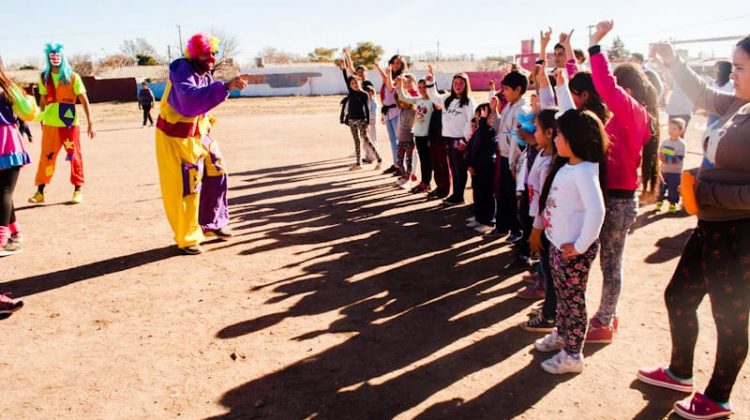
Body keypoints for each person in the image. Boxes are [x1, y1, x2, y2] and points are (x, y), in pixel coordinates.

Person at [637, 37, 750, 420]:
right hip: (710, 226)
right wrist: (672, 61)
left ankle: (718, 398)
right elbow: (701, 92)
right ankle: (680, 372)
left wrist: (708, 191)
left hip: (740, 235)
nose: (731, 74)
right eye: (732, 67)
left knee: (730, 317)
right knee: (679, 297)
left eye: (739, 68)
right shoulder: (739, 104)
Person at [583, 21, 656, 344]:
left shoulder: (633, 111)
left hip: (619, 199)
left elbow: (605, 87)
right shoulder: (632, 114)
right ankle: (607, 315)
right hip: (617, 197)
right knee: (610, 261)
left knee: (610, 263)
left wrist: (596, 47)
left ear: (627, 87)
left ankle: (604, 319)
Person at [155, 33, 251, 255]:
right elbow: (189, 101)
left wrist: (224, 86)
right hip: (177, 139)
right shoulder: (181, 69)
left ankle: (212, 223)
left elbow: (203, 104)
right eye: (206, 54)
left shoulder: (205, 74)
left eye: (213, 53)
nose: (211, 58)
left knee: (218, 172)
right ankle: (187, 237)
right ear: (194, 53)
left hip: (200, 135)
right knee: (188, 187)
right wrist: (225, 86)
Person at [533, 108, 607, 374]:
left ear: (575, 138)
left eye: (560, 134)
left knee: (572, 301)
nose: (555, 138)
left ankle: (573, 355)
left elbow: (597, 211)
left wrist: (579, 246)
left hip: (572, 252)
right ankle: (563, 335)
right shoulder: (571, 164)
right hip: (560, 246)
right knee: (564, 297)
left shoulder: (585, 171)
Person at [28, 43, 96, 205]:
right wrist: (42, 119)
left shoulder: (72, 76)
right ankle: (40, 192)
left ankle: (77, 190)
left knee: (74, 156)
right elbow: (43, 100)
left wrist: (90, 122)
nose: (55, 59)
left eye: (58, 56)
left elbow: (83, 99)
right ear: (48, 58)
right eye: (52, 57)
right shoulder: (44, 77)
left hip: (69, 123)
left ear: (63, 57)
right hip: (51, 123)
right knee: (46, 157)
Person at [0, 56, 38, 257]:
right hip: (7, 141)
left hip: (6, 141)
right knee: (4, 191)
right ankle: (13, 236)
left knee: (4, 191)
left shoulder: (8, 89)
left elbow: (28, 114)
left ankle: (4, 239)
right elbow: (28, 113)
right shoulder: (9, 88)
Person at [425, 65, 476, 205]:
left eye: (461, 83)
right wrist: (431, 82)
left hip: (460, 140)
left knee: (460, 169)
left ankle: (459, 196)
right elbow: (434, 98)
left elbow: (471, 122)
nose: (458, 86)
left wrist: (465, 141)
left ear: (466, 85)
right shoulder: (447, 99)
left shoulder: (469, 102)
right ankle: (455, 194)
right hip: (447, 138)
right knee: (453, 168)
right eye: (455, 83)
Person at [495, 70, 531, 241]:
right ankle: (503, 226)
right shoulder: (509, 106)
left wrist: (512, 164)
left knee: (513, 197)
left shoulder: (522, 110)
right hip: (503, 157)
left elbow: (517, 142)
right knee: (503, 194)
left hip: (513, 162)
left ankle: (516, 231)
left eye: (507, 89)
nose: (504, 92)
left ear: (518, 89)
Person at [396, 76, 433, 193]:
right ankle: (424, 182)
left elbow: (434, 121)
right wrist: (400, 84)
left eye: (425, 87)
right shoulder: (418, 100)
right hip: (418, 135)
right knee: (423, 160)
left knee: (428, 161)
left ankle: (427, 183)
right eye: (420, 87)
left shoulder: (433, 102)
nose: (422, 90)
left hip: (427, 136)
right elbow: (403, 97)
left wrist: (430, 137)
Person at [466, 104, 497, 234]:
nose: (479, 119)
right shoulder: (477, 131)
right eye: (478, 116)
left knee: (487, 195)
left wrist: (485, 120)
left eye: (483, 116)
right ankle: (479, 217)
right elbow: (472, 149)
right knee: (477, 193)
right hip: (476, 168)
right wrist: (469, 164)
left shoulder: (490, 131)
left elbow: (485, 135)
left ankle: (488, 221)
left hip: (487, 168)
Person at [374, 55, 406, 174]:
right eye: (394, 62)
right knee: (393, 140)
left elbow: (390, 87)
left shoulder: (401, 77)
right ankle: (396, 164)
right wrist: (378, 68)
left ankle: (402, 166)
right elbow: (385, 79)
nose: (396, 65)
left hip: (397, 112)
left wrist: (386, 73)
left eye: (399, 63)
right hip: (388, 112)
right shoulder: (390, 76)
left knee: (400, 140)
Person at [345, 75, 381, 171]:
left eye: (356, 82)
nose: (355, 85)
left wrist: (368, 122)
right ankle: (358, 163)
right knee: (356, 141)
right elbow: (345, 78)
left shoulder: (364, 94)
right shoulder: (351, 93)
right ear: (350, 86)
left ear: (360, 82)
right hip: (351, 121)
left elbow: (367, 109)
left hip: (361, 120)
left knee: (367, 140)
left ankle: (379, 159)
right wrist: (344, 68)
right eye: (352, 83)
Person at [656, 118, 687, 213]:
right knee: (661, 187)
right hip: (664, 171)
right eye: (669, 128)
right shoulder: (665, 142)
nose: (671, 130)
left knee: (673, 189)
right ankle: (659, 202)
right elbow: (660, 153)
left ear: (681, 130)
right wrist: (661, 157)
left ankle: (672, 204)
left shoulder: (681, 144)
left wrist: (667, 160)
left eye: (674, 129)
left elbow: (680, 158)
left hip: (675, 172)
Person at [706, 60, 734, 127]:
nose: (715, 71)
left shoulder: (733, 84)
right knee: (711, 135)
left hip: (727, 114)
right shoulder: (714, 83)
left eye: (717, 68)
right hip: (714, 114)